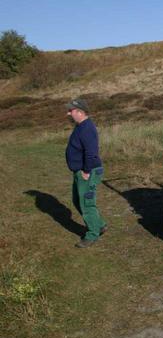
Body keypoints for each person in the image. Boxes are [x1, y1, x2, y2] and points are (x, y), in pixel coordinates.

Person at [65, 98, 108, 248]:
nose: (68, 113)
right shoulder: (80, 126)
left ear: (80, 112)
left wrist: (86, 171)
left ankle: (92, 234)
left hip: (87, 172)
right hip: (80, 171)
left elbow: (91, 153)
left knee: (86, 203)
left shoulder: (87, 128)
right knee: (78, 201)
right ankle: (100, 225)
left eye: (71, 111)